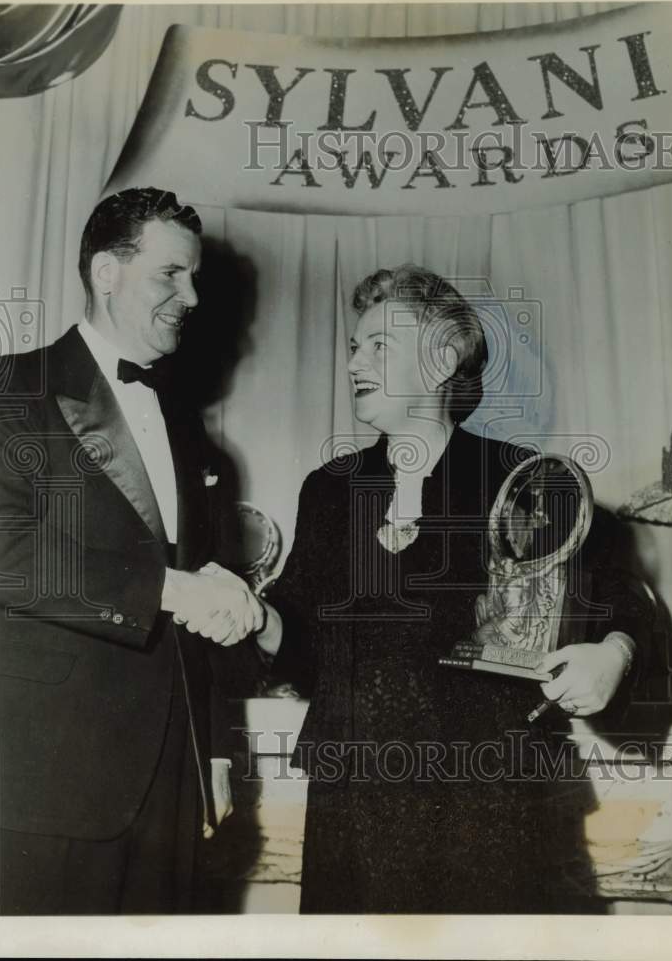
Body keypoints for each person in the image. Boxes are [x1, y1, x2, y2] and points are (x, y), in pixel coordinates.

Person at [252, 264, 650, 913]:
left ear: (442, 360)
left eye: (381, 344)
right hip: (353, 800)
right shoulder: (328, 491)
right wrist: (257, 618)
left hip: (483, 802)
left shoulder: (519, 480)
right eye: (355, 345)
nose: (356, 360)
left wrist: (614, 653)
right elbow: (301, 644)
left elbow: (621, 600)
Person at [0, 187, 265, 915]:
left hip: (174, 781)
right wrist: (168, 589)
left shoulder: (187, 429)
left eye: (196, 275)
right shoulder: (6, 391)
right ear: (106, 272)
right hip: (50, 781)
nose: (194, 295)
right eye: (171, 273)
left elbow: (198, 624)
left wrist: (210, 752)